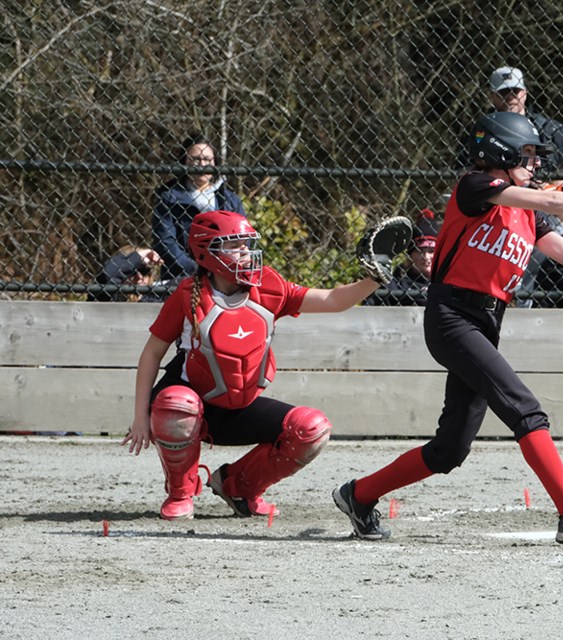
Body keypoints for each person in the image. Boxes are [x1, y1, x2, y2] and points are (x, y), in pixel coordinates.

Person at [332, 111, 563, 545]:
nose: (535, 166)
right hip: (452, 316)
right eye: (527, 156)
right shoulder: (475, 186)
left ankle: (358, 496)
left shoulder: (527, 212)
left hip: (487, 322)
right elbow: (550, 201)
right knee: (526, 409)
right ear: (500, 151)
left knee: (449, 451)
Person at [123, 210, 396, 521]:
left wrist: (375, 278)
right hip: (189, 407)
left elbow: (334, 299)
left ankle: (238, 486)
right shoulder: (189, 295)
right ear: (207, 251)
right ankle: (180, 493)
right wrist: (140, 416)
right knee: (177, 404)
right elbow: (151, 354)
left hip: (239, 409)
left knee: (311, 429)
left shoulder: (269, 287)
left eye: (247, 243)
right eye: (234, 244)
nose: (246, 251)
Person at [454, 66, 563, 179]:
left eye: (515, 91)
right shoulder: (482, 130)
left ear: (525, 93)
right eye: (504, 91)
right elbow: (462, 169)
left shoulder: (552, 129)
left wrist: (560, 181)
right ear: (492, 97)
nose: (510, 96)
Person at [153, 134, 245, 283]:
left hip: (225, 274)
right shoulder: (169, 197)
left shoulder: (229, 199)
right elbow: (165, 241)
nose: (202, 164)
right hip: (181, 276)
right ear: (184, 161)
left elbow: (243, 239)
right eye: (195, 159)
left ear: (215, 162)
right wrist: (195, 269)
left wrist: (224, 266)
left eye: (207, 159)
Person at [369, 213, 439, 306]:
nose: (425, 257)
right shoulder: (396, 284)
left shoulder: (446, 282)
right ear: (410, 256)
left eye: (431, 251)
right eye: (419, 251)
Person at [88, 246, 164, 302]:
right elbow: (108, 274)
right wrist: (138, 257)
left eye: (144, 271)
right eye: (132, 272)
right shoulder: (107, 295)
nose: (139, 277)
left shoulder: (155, 298)